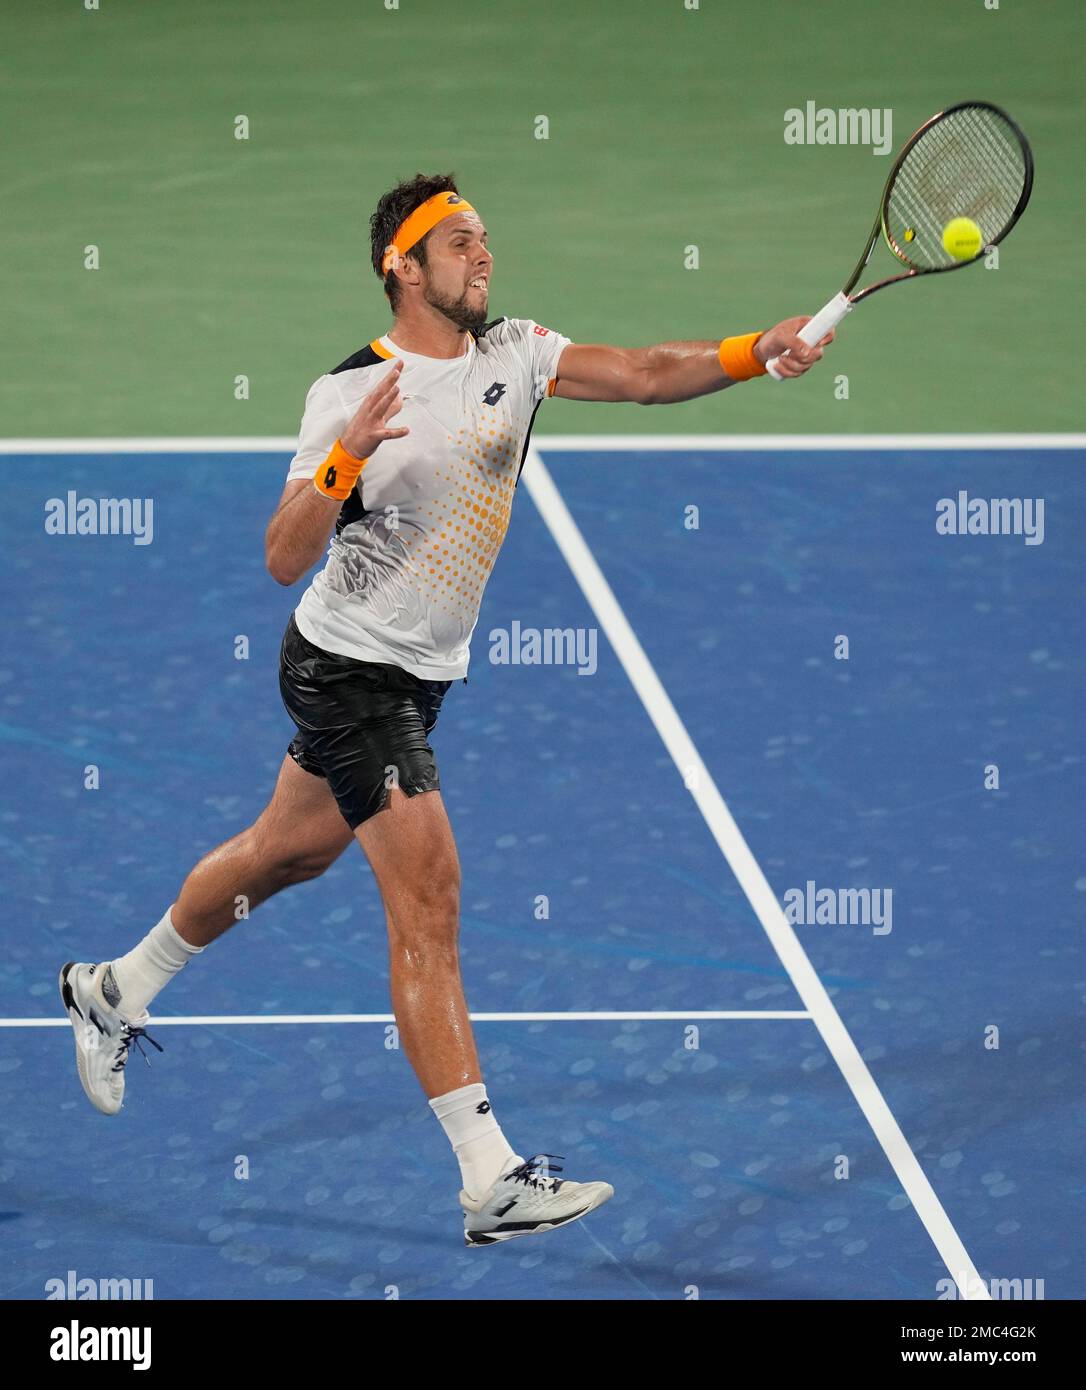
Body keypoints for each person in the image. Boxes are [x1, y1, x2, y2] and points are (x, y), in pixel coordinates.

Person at [60, 171, 832, 1246]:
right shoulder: (351, 393)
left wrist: (761, 348)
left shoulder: (516, 352)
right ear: (404, 267)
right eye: (462, 242)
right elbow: (283, 556)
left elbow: (651, 374)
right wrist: (345, 461)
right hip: (346, 672)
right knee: (430, 898)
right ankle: (489, 1177)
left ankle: (112, 987)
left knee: (285, 855)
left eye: (485, 240)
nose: (486, 257)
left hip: (420, 675)